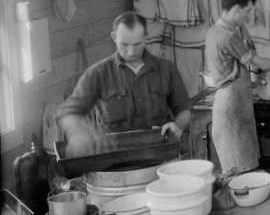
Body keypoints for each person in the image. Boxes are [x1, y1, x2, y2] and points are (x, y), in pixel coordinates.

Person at [57, 12, 192, 157]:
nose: (131, 52)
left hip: (160, 156)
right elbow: (68, 112)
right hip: (113, 162)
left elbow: (184, 108)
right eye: (125, 44)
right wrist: (79, 134)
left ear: (146, 37)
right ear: (114, 37)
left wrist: (177, 126)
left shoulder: (166, 69)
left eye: (137, 44)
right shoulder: (98, 73)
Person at [204, 0, 270, 185]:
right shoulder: (227, 37)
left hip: (236, 99)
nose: (250, 15)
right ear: (236, 9)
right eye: (248, 10)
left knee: (243, 161)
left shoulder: (217, 30)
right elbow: (257, 62)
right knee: (238, 166)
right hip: (231, 101)